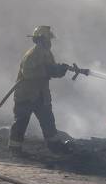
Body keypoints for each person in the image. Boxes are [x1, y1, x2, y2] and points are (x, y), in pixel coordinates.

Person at [9, 25, 73, 158]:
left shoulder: (46, 53)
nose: (49, 42)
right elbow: (27, 72)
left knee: (48, 120)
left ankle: (54, 145)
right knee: (21, 121)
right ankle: (15, 148)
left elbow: (51, 68)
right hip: (26, 95)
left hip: (40, 95)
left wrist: (59, 70)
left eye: (50, 39)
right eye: (47, 39)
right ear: (40, 39)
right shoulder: (32, 54)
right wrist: (48, 71)